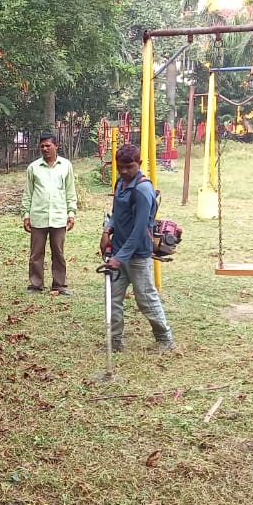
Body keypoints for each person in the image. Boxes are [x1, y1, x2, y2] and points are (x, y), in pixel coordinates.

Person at [100, 144, 175, 352]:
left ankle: (165, 339)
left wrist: (120, 257)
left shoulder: (143, 189)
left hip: (137, 255)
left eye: (129, 167)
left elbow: (140, 228)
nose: (124, 171)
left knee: (145, 299)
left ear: (139, 164)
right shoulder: (120, 183)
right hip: (117, 251)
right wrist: (107, 231)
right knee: (112, 298)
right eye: (120, 166)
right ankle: (114, 342)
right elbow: (116, 213)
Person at [22, 133, 77, 295]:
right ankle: (35, 284)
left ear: (56, 145)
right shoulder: (33, 167)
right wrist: (26, 214)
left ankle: (59, 285)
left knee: (58, 253)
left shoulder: (65, 165)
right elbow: (28, 193)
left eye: (48, 145)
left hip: (59, 217)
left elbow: (70, 191)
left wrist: (71, 212)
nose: (45, 149)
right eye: (42, 146)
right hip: (38, 216)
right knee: (36, 253)